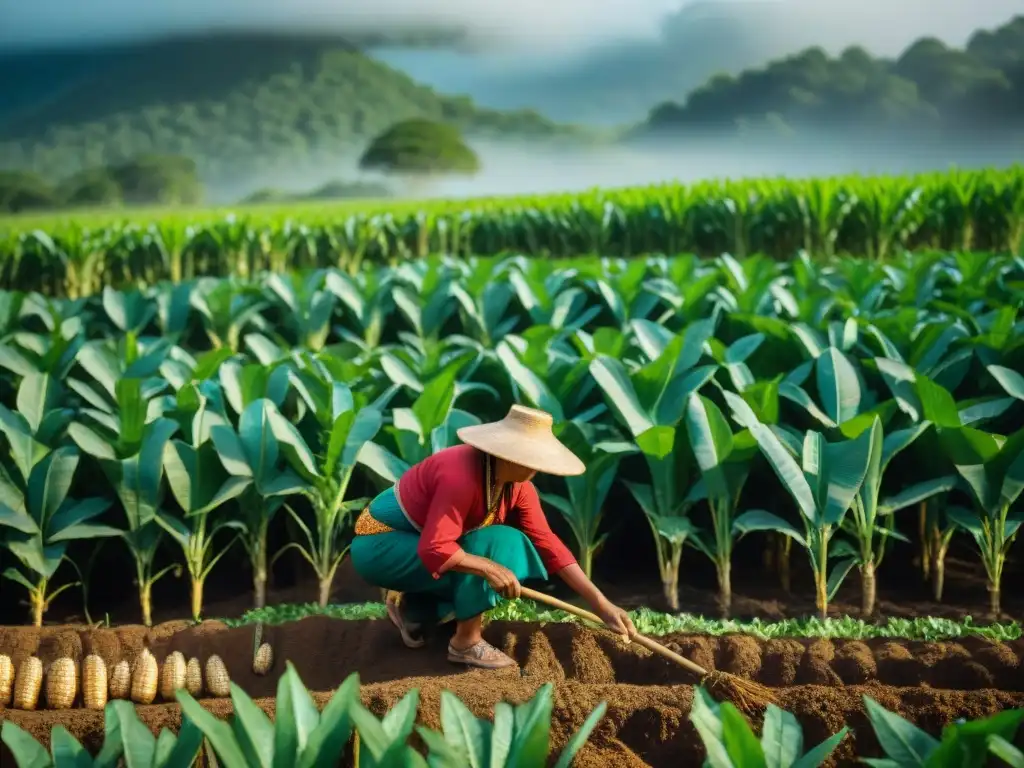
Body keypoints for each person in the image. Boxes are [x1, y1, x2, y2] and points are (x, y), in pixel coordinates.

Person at [350, 404, 637, 669]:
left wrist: (601, 605)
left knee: (494, 547)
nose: (536, 469)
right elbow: (435, 547)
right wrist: (489, 567)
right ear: (507, 452)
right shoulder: (459, 475)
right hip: (379, 545)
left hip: (412, 547)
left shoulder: (517, 486)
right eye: (531, 459)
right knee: (498, 543)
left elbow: (548, 544)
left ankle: (416, 611)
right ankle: (466, 642)